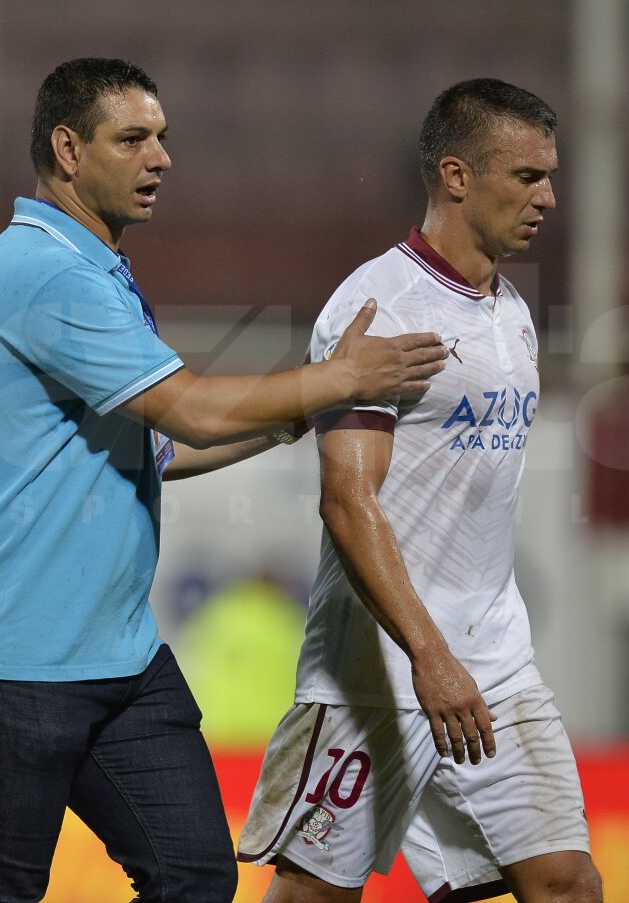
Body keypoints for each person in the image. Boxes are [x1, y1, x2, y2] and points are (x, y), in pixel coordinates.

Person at [0, 57, 448, 903]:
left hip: (115, 660)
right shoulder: (46, 271)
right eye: (133, 139)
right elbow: (188, 410)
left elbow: (162, 447)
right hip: (3, 664)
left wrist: (295, 413)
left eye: (162, 138)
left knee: (193, 875)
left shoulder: (94, 270)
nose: (161, 158)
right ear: (67, 149)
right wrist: (338, 380)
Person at [237, 79, 604, 902]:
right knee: (312, 897)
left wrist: (462, 656)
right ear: (457, 176)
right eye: (527, 177)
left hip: (495, 666)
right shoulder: (380, 308)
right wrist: (428, 656)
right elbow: (345, 500)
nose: (548, 197)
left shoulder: (511, 311)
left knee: (565, 883)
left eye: (551, 176)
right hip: (377, 673)